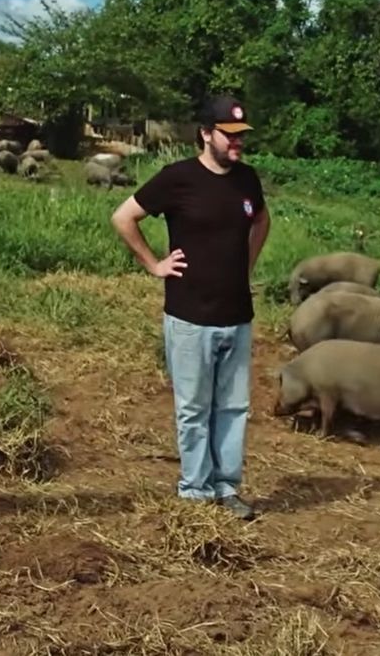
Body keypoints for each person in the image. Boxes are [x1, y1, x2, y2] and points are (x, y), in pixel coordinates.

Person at [110, 94, 271, 520]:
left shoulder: (247, 180)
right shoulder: (177, 179)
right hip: (189, 316)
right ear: (205, 134)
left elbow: (261, 221)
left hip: (237, 316)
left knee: (233, 408)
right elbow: (123, 217)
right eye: (229, 135)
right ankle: (195, 491)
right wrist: (154, 264)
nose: (237, 143)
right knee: (194, 409)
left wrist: (246, 263)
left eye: (241, 136)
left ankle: (226, 487)